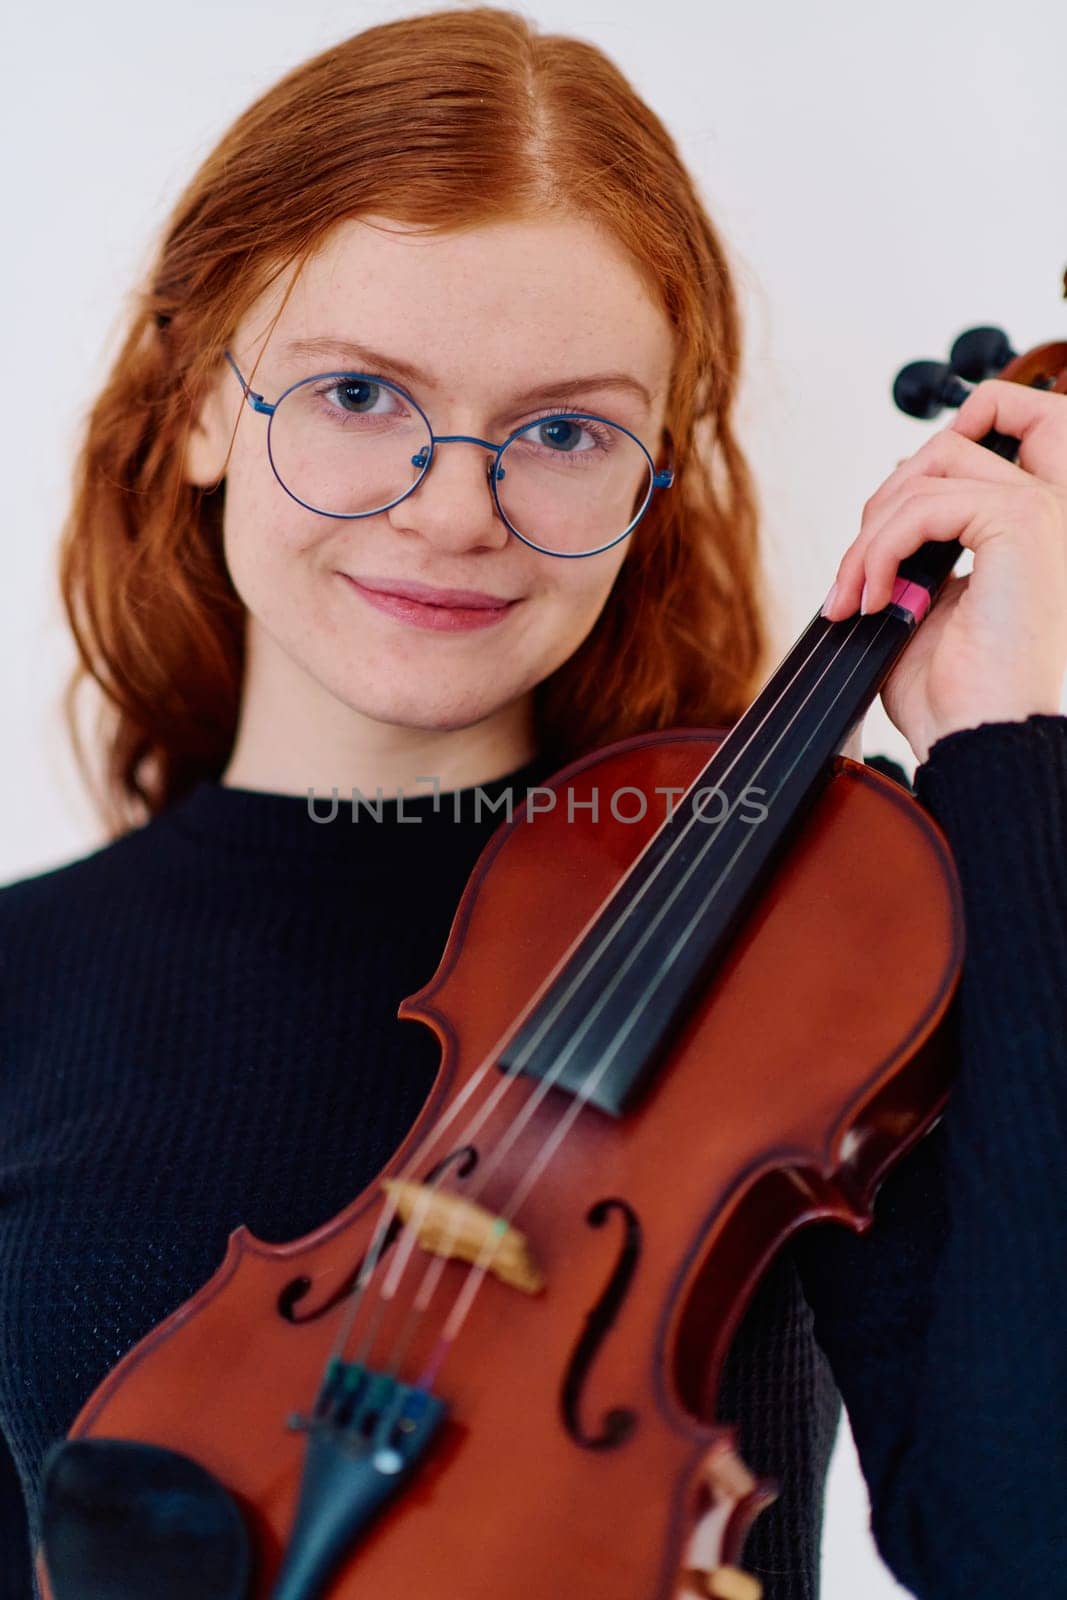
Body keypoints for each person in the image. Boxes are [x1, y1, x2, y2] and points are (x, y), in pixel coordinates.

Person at [1, 8, 1065, 1599]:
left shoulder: (811, 949)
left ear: (655, 472)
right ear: (205, 401)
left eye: (563, 430)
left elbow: (1018, 1541)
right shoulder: (23, 980)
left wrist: (1018, 745)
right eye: (358, 395)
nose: (450, 510)